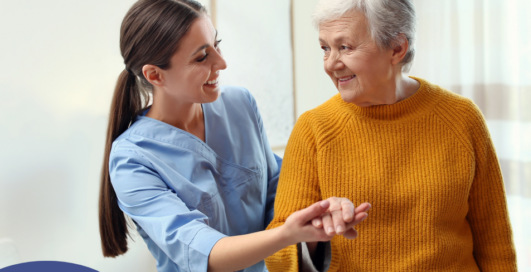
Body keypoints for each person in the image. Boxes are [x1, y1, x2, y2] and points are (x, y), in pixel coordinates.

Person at [96, 1, 370, 271]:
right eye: (202, 57)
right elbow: (204, 252)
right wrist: (288, 234)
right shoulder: (132, 160)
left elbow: (278, 191)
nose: (222, 62)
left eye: (217, 45)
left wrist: (316, 214)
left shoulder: (240, 105)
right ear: (155, 75)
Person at [265, 0, 518, 271]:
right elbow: (279, 256)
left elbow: (495, 241)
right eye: (325, 48)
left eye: (345, 47)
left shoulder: (461, 117)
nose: (330, 64)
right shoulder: (314, 129)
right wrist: (313, 234)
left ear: (397, 48)